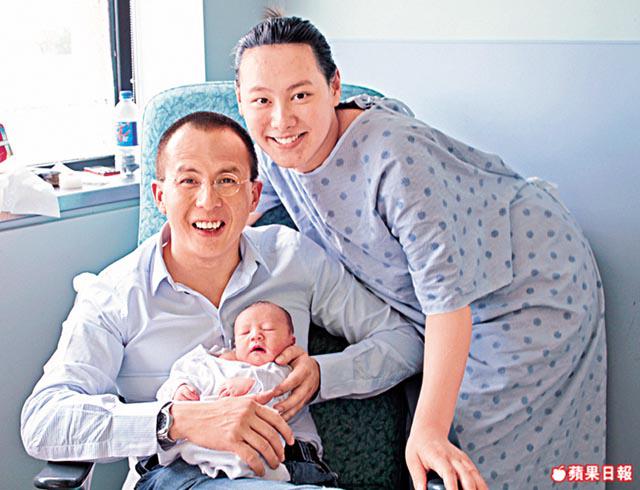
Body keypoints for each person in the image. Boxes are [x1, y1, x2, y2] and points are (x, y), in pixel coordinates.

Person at [233, 14, 607, 490]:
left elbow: (448, 302)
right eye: (262, 100)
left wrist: (428, 430)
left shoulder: (395, 158)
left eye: (300, 95)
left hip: (526, 282)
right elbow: (241, 210)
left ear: (334, 86)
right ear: (242, 101)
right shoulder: (272, 151)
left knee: (483, 463)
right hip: (452, 300)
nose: (282, 118)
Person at [21, 111, 424, 489]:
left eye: (227, 180)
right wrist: (177, 420)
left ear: (254, 196)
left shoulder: (293, 258)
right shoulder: (115, 293)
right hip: (180, 476)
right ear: (160, 195)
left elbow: (406, 341)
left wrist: (322, 375)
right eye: (188, 180)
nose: (208, 201)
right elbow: (44, 421)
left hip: (293, 471)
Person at [138, 300, 337, 487]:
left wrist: (250, 383)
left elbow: (278, 390)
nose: (256, 335)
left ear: (291, 341)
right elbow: (172, 385)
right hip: (194, 456)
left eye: (268, 329)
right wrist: (179, 389)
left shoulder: (279, 370)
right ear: (235, 343)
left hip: (260, 457)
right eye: (245, 332)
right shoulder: (202, 361)